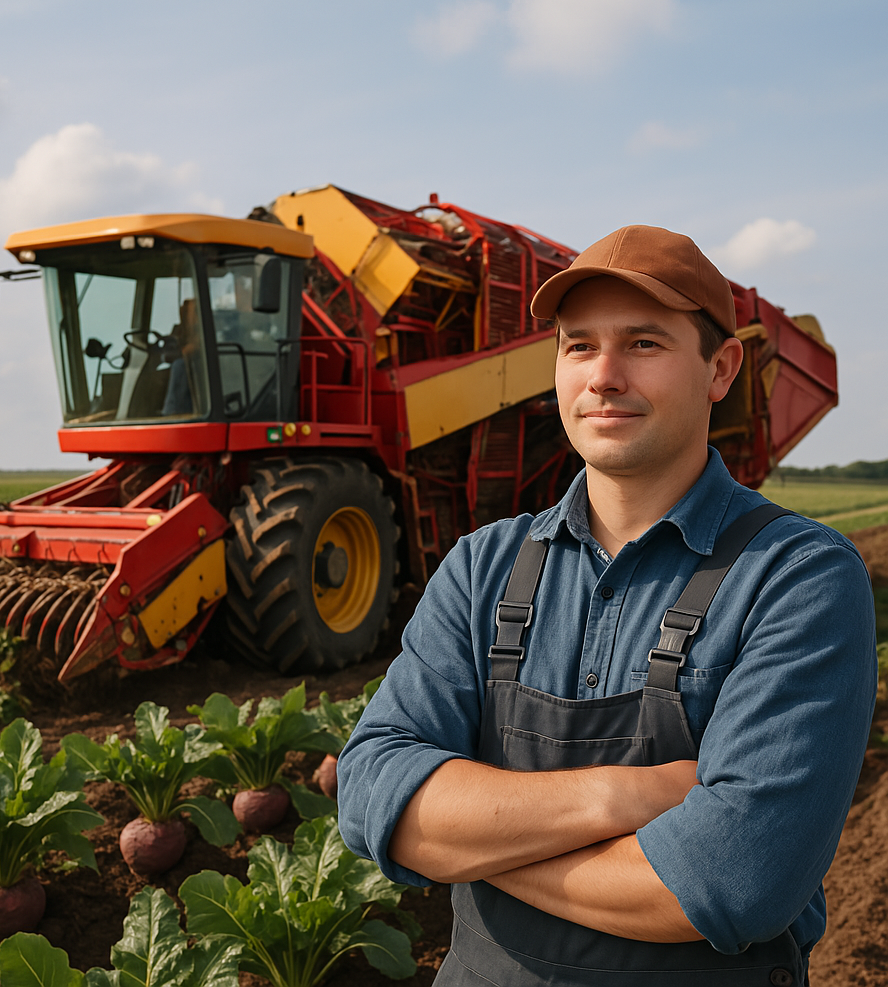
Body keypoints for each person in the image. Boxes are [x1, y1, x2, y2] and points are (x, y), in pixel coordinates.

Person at [337, 224, 877, 986]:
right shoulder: (481, 567)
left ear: (721, 369)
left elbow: (730, 883)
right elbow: (369, 793)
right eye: (578, 345)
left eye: (645, 344)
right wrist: (626, 794)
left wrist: (466, 843)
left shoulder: (796, 577)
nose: (603, 376)